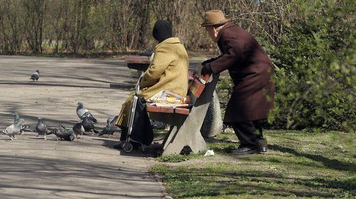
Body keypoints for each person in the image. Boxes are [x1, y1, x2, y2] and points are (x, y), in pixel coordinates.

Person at [200, 10, 274, 155]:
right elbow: (233, 53)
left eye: (207, 30)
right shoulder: (231, 31)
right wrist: (212, 62)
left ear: (213, 29)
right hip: (260, 73)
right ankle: (259, 143)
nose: (208, 34)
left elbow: (235, 54)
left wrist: (212, 67)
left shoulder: (228, 34)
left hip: (254, 74)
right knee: (251, 110)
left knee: (237, 109)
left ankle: (250, 144)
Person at [114, 20, 189, 149]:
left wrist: (143, 82)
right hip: (177, 91)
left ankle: (135, 139)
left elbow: (154, 71)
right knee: (134, 100)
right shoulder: (178, 46)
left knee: (135, 100)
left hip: (169, 93)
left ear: (157, 35)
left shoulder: (166, 48)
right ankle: (133, 138)